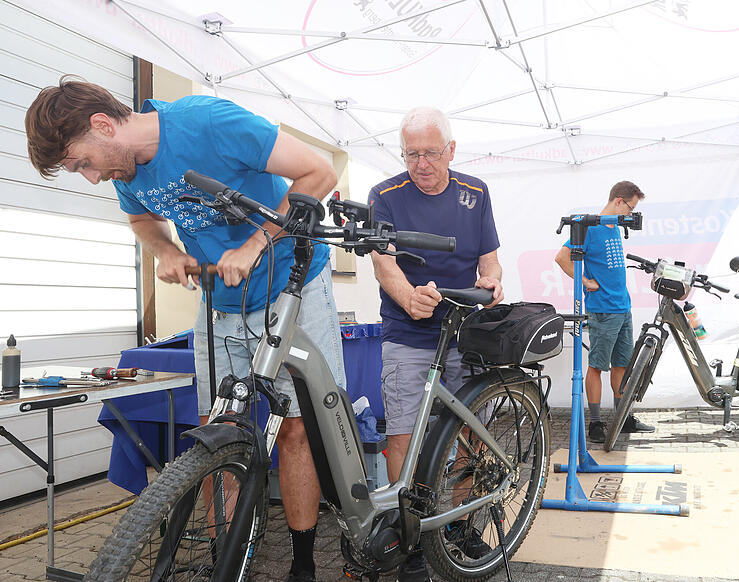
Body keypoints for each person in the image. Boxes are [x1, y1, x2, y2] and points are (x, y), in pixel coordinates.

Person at [25, 76, 345, 581]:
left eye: (81, 162)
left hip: (291, 281)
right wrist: (168, 251)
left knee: (295, 429)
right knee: (221, 430)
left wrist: (254, 243)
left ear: (103, 125)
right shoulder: (126, 171)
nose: (90, 178)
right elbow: (140, 222)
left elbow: (318, 173)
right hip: (222, 298)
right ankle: (228, 562)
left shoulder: (209, 123)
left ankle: (303, 562)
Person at [368, 106, 503, 582]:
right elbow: (383, 264)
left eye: (430, 153)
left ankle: (460, 525)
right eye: (411, 154)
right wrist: (409, 298)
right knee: (403, 435)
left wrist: (491, 280)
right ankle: (409, 540)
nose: (420, 163)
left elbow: (490, 261)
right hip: (409, 332)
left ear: (450, 150)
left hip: (466, 332)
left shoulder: (476, 192)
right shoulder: (384, 195)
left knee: (468, 433)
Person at [554, 181, 655, 444]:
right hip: (603, 310)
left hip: (623, 307)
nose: (630, 215)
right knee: (598, 366)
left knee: (622, 365)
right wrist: (585, 283)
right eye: (630, 208)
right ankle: (596, 423)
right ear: (619, 201)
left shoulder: (615, 228)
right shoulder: (590, 227)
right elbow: (561, 257)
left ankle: (623, 419)